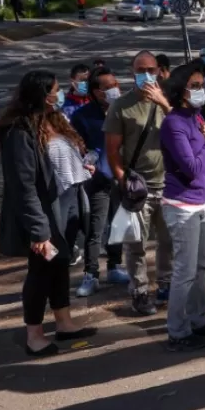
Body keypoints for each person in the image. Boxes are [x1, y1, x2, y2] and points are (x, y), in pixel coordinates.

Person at [0, 70, 98, 357]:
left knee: (60, 267)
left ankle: (64, 323)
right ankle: (34, 334)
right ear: (40, 94)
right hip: (43, 214)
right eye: (55, 89)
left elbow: (65, 157)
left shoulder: (54, 120)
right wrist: (39, 230)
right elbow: (23, 185)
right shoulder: (20, 131)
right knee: (40, 271)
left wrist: (82, 165)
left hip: (65, 207)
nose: (60, 93)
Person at [158, 61, 205, 351]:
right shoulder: (174, 123)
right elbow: (191, 167)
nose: (202, 91)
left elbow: (204, 159)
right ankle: (177, 331)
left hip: (203, 202)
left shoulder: (196, 118)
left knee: (202, 266)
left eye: (203, 85)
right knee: (185, 272)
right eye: (195, 86)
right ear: (181, 91)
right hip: (182, 205)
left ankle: (198, 320)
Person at [104, 50, 175, 315]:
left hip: (169, 185)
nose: (146, 74)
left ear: (159, 71)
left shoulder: (169, 102)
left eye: (151, 69)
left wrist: (163, 102)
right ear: (133, 72)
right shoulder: (121, 106)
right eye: (140, 69)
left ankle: (166, 285)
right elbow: (112, 150)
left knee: (168, 242)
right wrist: (122, 179)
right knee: (136, 244)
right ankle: (140, 291)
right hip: (138, 187)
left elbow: (185, 128)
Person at [71, 67, 129, 296]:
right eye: (108, 87)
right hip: (97, 179)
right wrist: (88, 156)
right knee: (95, 228)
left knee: (118, 224)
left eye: (115, 84)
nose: (115, 89)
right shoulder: (82, 116)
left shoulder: (123, 109)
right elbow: (75, 144)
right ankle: (91, 274)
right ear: (96, 92)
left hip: (122, 177)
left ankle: (115, 265)